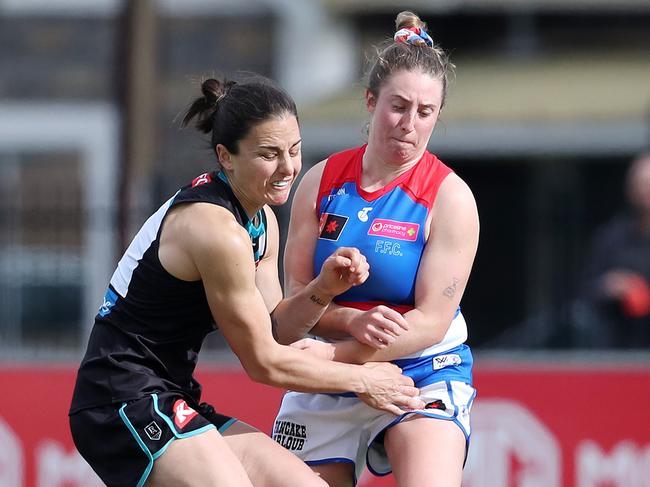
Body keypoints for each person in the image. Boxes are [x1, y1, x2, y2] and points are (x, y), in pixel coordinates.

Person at [68, 75, 424, 487]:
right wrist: (363, 380)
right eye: (268, 154)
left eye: (294, 150)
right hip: (119, 398)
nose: (288, 168)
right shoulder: (215, 229)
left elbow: (276, 330)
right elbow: (263, 363)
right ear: (226, 156)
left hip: (170, 395)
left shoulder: (262, 221)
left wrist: (324, 289)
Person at [273, 11, 479, 487]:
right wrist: (347, 320)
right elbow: (291, 310)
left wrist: (335, 356)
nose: (409, 124)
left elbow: (430, 322)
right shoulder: (320, 182)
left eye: (425, 112)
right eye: (398, 106)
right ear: (370, 101)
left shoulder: (451, 198)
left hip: (420, 369)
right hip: (326, 370)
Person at [573, 152, 650, 348]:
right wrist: (611, 286)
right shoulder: (610, 238)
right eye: (640, 184)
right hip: (615, 354)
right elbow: (584, 293)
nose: (645, 192)